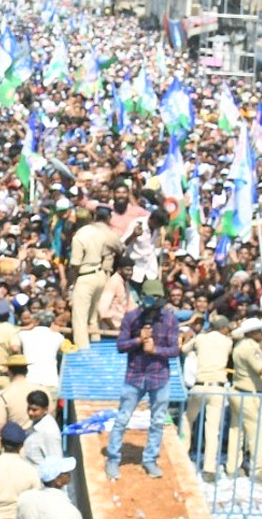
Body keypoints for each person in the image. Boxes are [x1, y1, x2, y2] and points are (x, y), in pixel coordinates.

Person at [105, 277, 180, 480]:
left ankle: (150, 460)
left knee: (157, 421)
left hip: (159, 377)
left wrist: (155, 349)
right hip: (135, 376)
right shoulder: (132, 317)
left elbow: (175, 350)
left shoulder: (170, 319)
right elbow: (121, 345)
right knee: (122, 419)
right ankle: (113, 458)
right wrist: (139, 339)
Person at [226, 316, 262, 482]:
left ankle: (232, 466)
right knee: (258, 429)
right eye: (260, 331)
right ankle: (258, 470)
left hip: (238, 390)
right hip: (250, 394)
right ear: (253, 333)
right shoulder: (251, 348)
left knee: (237, 430)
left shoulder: (241, 345)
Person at [181, 314, 234, 478]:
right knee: (212, 429)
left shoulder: (201, 338)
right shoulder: (228, 341)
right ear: (224, 328)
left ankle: (182, 455)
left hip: (199, 385)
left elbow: (183, 349)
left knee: (187, 419)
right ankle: (209, 468)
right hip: (217, 388)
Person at [68, 205, 122, 348]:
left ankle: (83, 352)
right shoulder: (99, 233)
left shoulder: (79, 237)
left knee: (80, 319)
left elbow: (75, 264)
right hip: (100, 275)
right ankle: (96, 344)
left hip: (85, 276)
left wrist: (71, 281)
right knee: (93, 317)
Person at [0, 355, 40, 440]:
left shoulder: (4, 396)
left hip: (14, 444)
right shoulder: (41, 390)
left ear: (9, 371)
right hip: (38, 440)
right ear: (26, 370)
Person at [14, 456, 80, 519]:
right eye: (66, 473)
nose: (69, 475)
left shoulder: (25, 498)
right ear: (58, 481)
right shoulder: (69, 511)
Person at [22, 392, 62, 467]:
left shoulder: (49, 432)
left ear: (45, 410)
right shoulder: (37, 423)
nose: (30, 412)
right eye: (29, 408)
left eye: (34, 410)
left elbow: (55, 463)